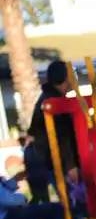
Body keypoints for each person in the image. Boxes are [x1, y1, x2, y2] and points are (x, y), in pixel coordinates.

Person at [25, 60, 79, 204]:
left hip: (42, 160)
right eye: (73, 75)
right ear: (66, 79)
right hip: (51, 161)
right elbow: (61, 136)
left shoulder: (49, 98)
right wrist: (70, 166)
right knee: (74, 203)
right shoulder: (54, 104)